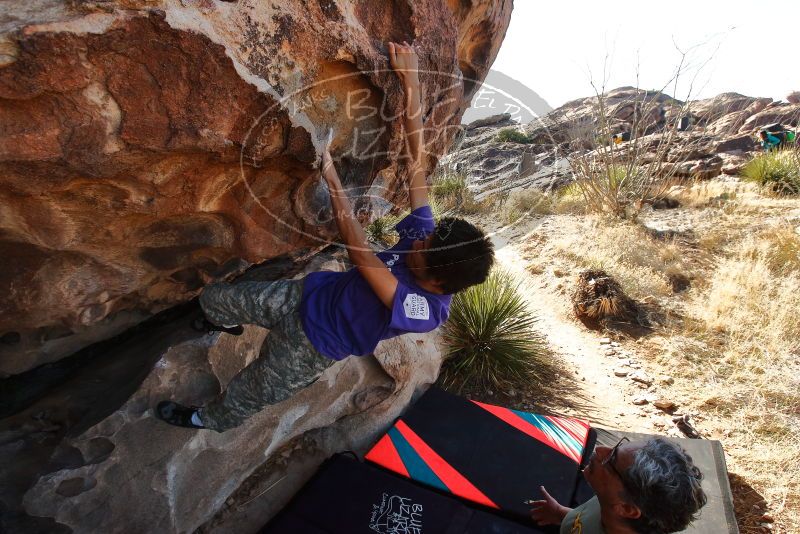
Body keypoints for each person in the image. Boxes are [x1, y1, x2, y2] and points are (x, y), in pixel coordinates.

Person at [155, 42, 494, 431]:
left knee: (253, 391)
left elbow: (363, 259)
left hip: (314, 346)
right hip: (306, 295)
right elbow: (416, 164)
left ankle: (203, 418)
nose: (418, 238)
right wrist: (412, 84)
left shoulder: (427, 311)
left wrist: (335, 187)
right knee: (217, 300)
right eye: (425, 236)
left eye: (422, 248)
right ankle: (218, 320)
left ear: (437, 281)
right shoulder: (430, 242)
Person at [530, 437, 707, 534]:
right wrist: (561, 514)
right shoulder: (612, 502)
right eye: (618, 445)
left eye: (611, 458)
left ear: (627, 509)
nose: (600, 450)